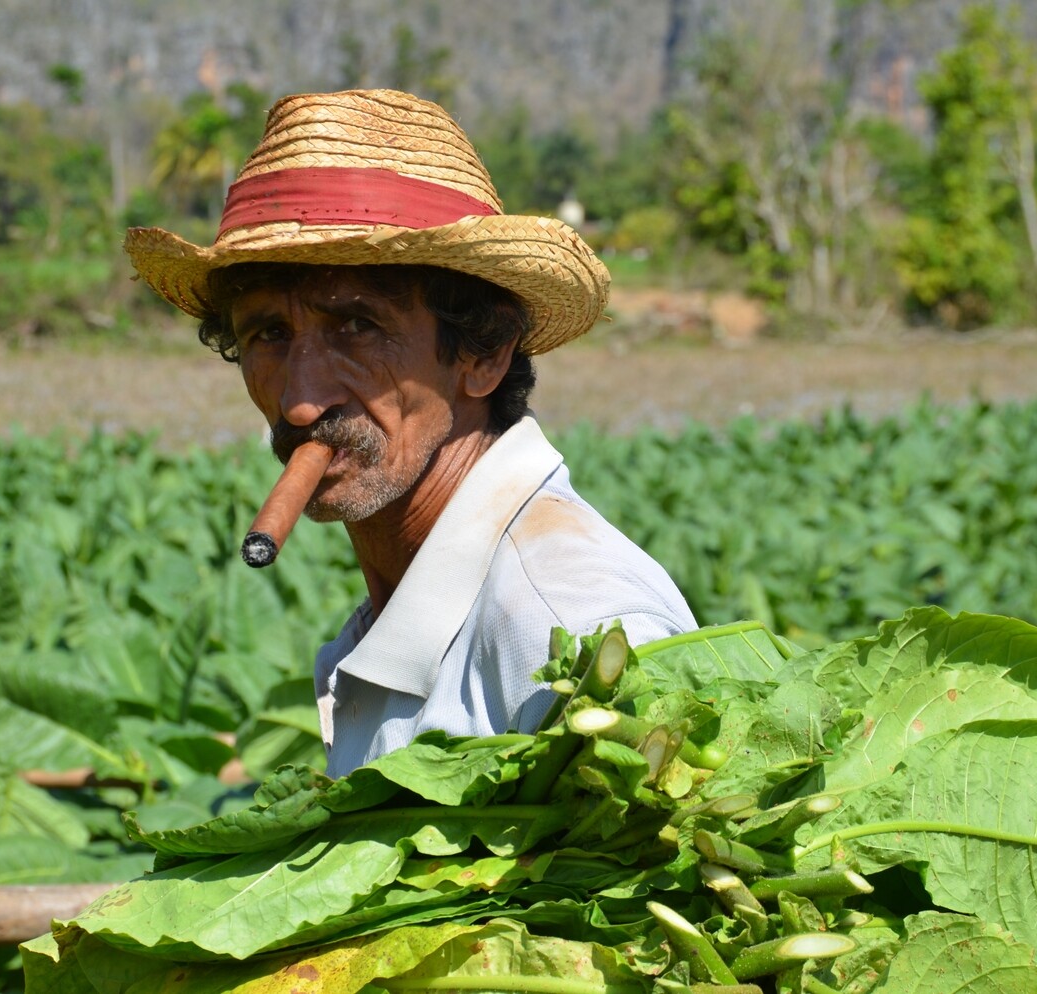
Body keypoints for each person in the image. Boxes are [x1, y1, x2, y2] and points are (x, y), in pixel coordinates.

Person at [125, 88, 696, 776]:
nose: (301, 404)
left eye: (357, 328)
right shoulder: (391, 612)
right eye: (269, 334)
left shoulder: (565, 632)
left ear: (484, 354)